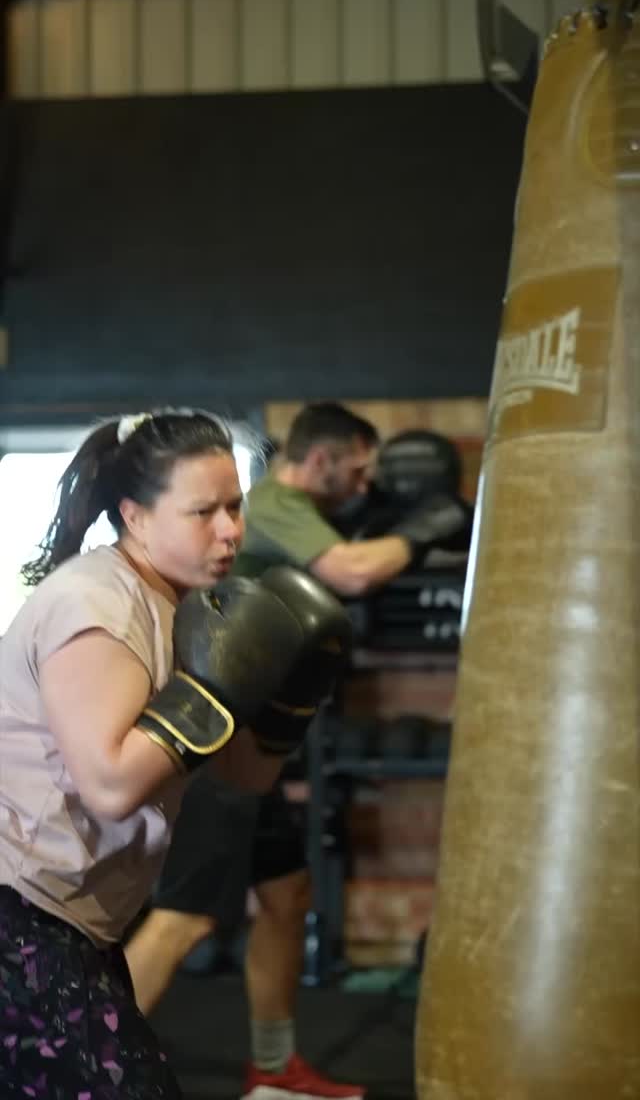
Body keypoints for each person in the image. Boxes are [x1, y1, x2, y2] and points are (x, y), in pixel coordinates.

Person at [0, 407, 352, 1099]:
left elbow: (243, 775)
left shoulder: (191, 609)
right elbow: (109, 785)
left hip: (75, 918)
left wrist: (289, 701)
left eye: (234, 507)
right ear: (134, 516)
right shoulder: (97, 605)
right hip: (19, 913)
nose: (230, 530)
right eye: (202, 512)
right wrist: (212, 692)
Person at [126, 403, 467, 1100]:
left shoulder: (294, 516)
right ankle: (69, 1070)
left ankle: (275, 1069)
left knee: (287, 895)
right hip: (213, 738)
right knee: (185, 918)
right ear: (321, 459)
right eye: (358, 470)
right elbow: (353, 572)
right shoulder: (280, 504)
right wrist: (423, 531)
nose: (366, 485)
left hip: (256, 745)